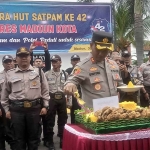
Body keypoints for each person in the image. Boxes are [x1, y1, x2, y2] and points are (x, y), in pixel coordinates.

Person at [1, 47, 50, 150]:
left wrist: (45, 106)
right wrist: (6, 110)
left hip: (34, 110)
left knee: (34, 139)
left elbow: (45, 90)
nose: (24, 58)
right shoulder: (10, 74)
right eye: (21, 56)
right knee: (18, 140)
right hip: (16, 111)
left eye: (26, 56)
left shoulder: (39, 72)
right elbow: (4, 95)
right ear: (16, 59)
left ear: (30, 57)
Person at [64, 31, 124, 108]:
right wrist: (69, 84)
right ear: (91, 45)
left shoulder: (113, 65)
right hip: (93, 116)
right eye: (98, 50)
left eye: (105, 51)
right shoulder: (82, 66)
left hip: (113, 113)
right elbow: (71, 81)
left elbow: (120, 84)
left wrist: (130, 89)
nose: (101, 54)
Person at [29, 41, 51, 146]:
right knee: (36, 123)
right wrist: (31, 51)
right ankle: (36, 140)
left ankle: (47, 140)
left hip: (45, 100)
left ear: (43, 64)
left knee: (47, 122)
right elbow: (28, 62)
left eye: (40, 61)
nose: (38, 62)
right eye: (36, 61)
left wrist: (46, 50)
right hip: (35, 101)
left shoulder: (46, 71)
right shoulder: (30, 72)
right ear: (33, 64)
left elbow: (48, 61)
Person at [45, 55, 68, 150]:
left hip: (62, 99)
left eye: (56, 61)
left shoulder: (65, 74)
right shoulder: (47, 74)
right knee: (50, 121)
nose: (54, 63)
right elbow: (44, 90)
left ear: (60, 62)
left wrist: (69, 101)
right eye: (52, 62)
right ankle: (49, 141)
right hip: (51, 99)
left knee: (63, 120)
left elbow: (68, 89)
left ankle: (63, 139)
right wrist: (45, 103)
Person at [0, 55, 16, 150]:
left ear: (14, 62)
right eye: (6, 62)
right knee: (2, 129)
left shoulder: (18, 74)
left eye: (10, 61)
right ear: (3, 64)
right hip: (2, 105)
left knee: (15, 128)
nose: (9, 63)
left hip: (16, 105)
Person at [65, 54, 81, 123]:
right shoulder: (68, 71)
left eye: (77, 60)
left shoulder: (83, 70)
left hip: (82, 95)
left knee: (83, 114)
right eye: (74, 60)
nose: (76, 62)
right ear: (71, 62)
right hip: (73, 96)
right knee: (74, 114)